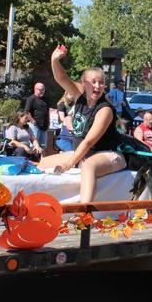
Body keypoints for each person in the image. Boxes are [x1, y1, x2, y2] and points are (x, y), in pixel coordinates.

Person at [38, 45, 126, 203]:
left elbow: (89, 141)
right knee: (43, 162)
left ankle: (84, 215)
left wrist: (69, 164)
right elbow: (61, 78)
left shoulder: (105, 109)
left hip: (110, 155)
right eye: (93, 82)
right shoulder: (80, 96)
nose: (98, 86)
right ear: (84, 84)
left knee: (88, 166)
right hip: (83, 154)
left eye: (101, 82)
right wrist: (54, 60)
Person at [24, 82, 49, 148]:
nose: (42, 91)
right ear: (35, 89)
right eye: (40, 90)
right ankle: (32, 158)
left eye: (43, 90)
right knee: (34, 146)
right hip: (35, 126)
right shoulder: (31, 99)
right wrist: (32, 120)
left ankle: (41, 158)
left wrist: (48, 123)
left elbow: (47, 111)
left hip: (44, 127)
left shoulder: (45, 99)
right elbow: (26, 112)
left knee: (43, 147)